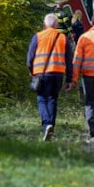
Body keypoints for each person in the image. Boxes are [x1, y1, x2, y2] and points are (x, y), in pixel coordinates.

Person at [27, 13, 75, 141]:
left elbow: (30, 57)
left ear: (44, 24)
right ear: (57, 24)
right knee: (52, 99)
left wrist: (31, 71)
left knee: (42, 99)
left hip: (41, 73)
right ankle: (51, 128)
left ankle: (47, 125)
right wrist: (69, 79)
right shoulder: (63, 38)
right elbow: (69, 60)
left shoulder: (38, 36)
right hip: (58, 73)